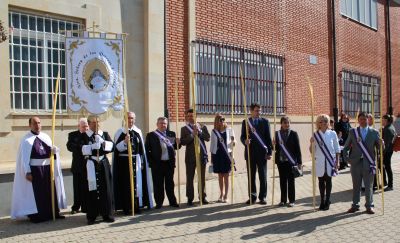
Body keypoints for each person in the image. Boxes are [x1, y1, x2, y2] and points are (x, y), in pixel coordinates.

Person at [11, 116, 67, 222]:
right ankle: (38, 215)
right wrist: (27, 171)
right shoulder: (26, 140)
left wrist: (54, 152)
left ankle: (53, 213)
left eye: (39, 123)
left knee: (49, 191)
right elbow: (24, 158)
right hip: (35, 170)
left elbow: (51, 154)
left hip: (47, 169)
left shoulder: (46, 137)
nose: (37, 125)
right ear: (30, 125)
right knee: (38, 193)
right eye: (35, 123)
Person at [113, 112, 153, 215]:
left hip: (136, 162)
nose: (130, 120)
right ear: (125, 119)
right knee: (126, 185)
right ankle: (126, 207)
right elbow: (116, 149)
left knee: (137, 184)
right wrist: (124, 143)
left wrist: (143, 161)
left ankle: (136, 206)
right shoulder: (119, 132)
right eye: (128, 118)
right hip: (124, 163)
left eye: (132, 118)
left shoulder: (137, 131)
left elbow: (141, 150)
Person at [343, 112, 381, 214]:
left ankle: (369, 206)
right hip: (355, 163)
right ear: (358, 120)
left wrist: (382, 144)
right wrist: (347, 160)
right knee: (356, 186)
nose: (363, 121)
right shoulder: (353, 132)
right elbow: (345, 147)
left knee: (369, 186)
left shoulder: (374, 132)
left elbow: (380, 149)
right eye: (361, 119)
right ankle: (355, 205)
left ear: (368, 119)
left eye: (365, 119)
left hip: (369, 163)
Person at [81, 115, 115, 224]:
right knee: (92, 190)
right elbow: (79, 148)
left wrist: (103, 143)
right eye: (94, 123)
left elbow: (113, 147)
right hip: (91, 163)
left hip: (103, 163)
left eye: (98, 122)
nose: (97, 124)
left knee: (106, 189)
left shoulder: (104, 134)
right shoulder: (84, 136)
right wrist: (91, 147)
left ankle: (107, 214)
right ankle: (92, 215)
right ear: (89, 123)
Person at [240, 103, 272, 205]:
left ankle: (262, 197)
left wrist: (269, 152)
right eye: (256, 110)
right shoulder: (245, 122)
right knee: (251, 176)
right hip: (250, 153)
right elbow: (242, 136)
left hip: (262, 153)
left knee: (263, 176)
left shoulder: (265, 122)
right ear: (251, 111)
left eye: (259, 110)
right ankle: (252, 197)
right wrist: (245, 141)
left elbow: (268, 138)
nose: (259, 112)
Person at [146, 117, 180, 209]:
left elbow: (176, 147)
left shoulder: (171, 134)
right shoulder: (151, 135)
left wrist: (178, 142)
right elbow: (147, 150)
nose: (163, 125)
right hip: (157, 164)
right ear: (157, 124)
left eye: (165, 123)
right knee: (158, 185)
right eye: (161, 123)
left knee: (170, 184)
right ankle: (159, 203)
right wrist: (151, 162)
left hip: (169, 163)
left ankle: (172, 202)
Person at [180, 109, 210, 206]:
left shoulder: (202, 126)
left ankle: (202, 196)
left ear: (195, 116)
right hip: (190, 157)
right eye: (188, 116)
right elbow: (183, 142)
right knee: (190, 178)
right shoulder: (184, 129)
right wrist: (192, 135)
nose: (190, 118)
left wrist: (200, 132)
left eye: (192, 116)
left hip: (201, 156)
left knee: (202, 178)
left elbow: (208, 138)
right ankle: (190, 198)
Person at [310, 114, 340, 211]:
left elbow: (337, 148)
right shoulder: (315, 134)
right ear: (318, 123)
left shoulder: (332, 133)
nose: (323, 123)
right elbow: (312, 151)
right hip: (319, 161)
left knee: (329, 181)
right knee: (321, 181)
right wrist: (311, 143)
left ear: (328, 123)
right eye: (321, 121)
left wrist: (337, 161)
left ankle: (328, 200)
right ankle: (322, 201)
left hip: (330, 161)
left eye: (325, 121)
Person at [274, 116, 302, 207]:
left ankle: (292, 200)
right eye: (285, 123)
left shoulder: (294, 134)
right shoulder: (277, 134)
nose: (287, 124)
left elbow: (298, 149)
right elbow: (275, 148)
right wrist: (273, 144)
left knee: (291, 181)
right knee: (282, 181)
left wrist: (299, 162)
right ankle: (283, 200)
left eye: (288, 123)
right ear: (281, 124)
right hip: (281, 161)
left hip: (291, 161)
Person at [210, 114, 236, 203]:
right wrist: (212, 158)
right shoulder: (214, 131)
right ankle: (221, 193)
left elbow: (234, 143)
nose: (222, 121)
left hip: (227, 155)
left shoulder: (229, 130)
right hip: (217, 155)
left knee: (226, 176)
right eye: (220, 120)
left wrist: (233, 141)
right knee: (220, 176)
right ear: (216, 121)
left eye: (223, 119)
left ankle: (226, 195)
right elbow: (212, 145)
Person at [66, 118, 89, 214]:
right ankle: (76, 206)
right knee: (77, 187)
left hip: (88, 166)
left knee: (87, 188)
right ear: (79, 126)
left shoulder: (90, 135)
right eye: (83, 126)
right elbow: (69, 146)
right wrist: (80, 147)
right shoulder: (73, 135)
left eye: (87, 126)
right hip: (78, 166)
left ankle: (86, 206)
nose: (86, 128)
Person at [382, 114, 397, 192]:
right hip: (388, 150)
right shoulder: (390, 127)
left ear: (386, 120)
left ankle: (390, 185)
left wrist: (383, 152)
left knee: (387, 167)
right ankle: (386, 182)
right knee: (385, 167)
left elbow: (387, 143)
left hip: (387, 151)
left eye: (383, 120)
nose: (382, 121)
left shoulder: (388, 129)